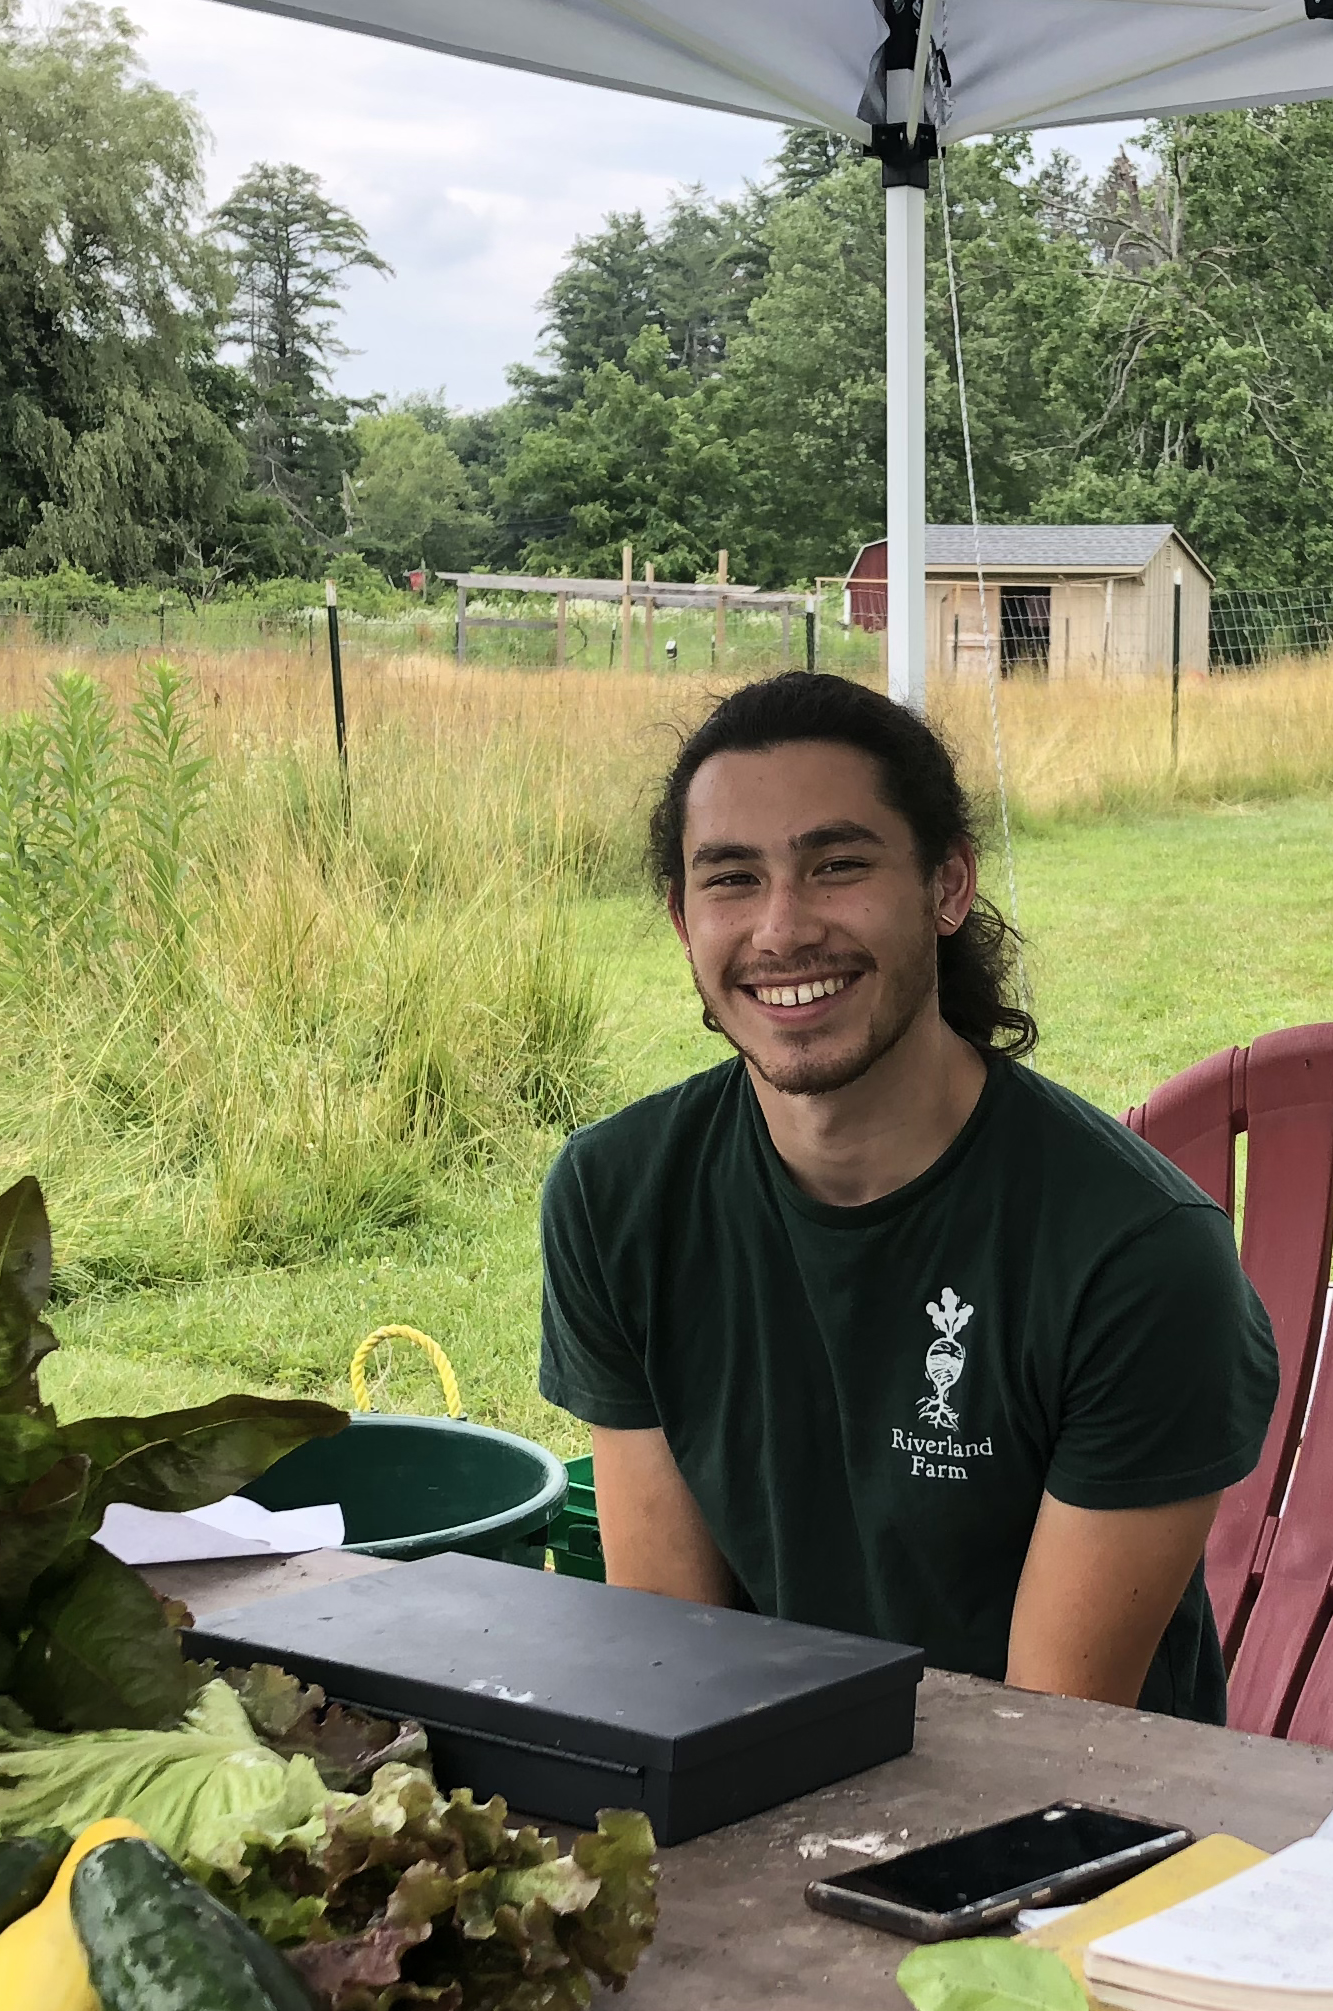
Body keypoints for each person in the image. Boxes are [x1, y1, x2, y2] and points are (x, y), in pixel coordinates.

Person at [536, 672, 1277, 1716]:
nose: (783, 930)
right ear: (680, 917)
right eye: (732, 879)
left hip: (1068, 1839)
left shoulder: (1134, 1254)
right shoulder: (615, 1198)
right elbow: (671, 1661)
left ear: (947, 887)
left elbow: (1053, 1736)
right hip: (749, 1789)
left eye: (837, 865)